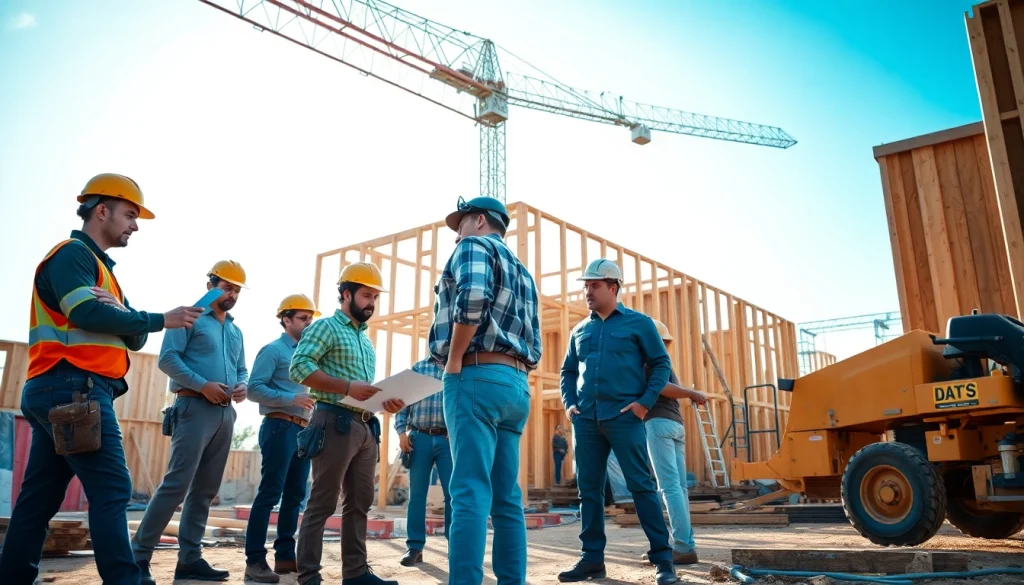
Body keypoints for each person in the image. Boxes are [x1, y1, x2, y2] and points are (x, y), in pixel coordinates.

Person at [0, 174, 203, 585]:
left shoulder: (102, 272)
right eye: (130, 214)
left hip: (59, 390)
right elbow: (88, 315)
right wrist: (157, 317)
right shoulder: (72, 256)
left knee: (38, 501)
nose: (134, 225)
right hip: (74, 388)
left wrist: (129, 316)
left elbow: (134, 334)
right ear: (102, 210)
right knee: (111, 489)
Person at [426, 196, 542, 585]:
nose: (456, 234)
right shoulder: (523, 273)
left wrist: (456, 357)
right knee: (507, 497)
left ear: (478, 221)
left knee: (470, 491)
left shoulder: (473, 246)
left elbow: (473, 296)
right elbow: (535, 341)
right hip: (516, 382)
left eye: (460, 225)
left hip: (476, 374)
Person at [558, 258, 678, 585]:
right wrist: (570, 405)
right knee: (589, 491)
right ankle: (592, 560)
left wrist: (643, 404)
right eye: (585, 286)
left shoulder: (639, 324)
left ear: (613, 287)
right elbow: (567, 372)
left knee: (641, 486)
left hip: (625, 418)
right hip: (586, 421)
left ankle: (664, 561)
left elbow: (660, 364)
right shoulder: (580, 330)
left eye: (594, 286)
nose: (588, 292)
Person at [132, 260, 251, 584]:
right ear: (210, 283)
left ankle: (190, 559)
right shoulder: (187, 318)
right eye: (226, 287)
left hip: (226, 414)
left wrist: (242, 384)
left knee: (205, 491)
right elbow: (167, 360)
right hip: (193, 407)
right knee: (176, 486)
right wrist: (203, 385)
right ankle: (138, 557)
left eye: (237, 290)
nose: (232, 294)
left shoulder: (236, 330)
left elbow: (242, 368)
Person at [289, 262, 405, 585]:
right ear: (346, 293)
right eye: (366, 295)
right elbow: (298, 368)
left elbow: (361, 391)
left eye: (375, 297)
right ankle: (309, 577)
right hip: (333, 422)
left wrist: (386, 402)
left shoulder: (367, 343)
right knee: (322, 502)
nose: (371, 302)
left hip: (365, 427)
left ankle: (355, 575)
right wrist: (345, 387)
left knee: (360, 503)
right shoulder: (325, 328)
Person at [243, 294, 321, 582]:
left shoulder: (308, 355)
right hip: (279, 427)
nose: (308, 323)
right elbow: (253, 389)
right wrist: (291, 398)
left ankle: (285, 557)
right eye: (303, 318)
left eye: (311, 318)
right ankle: (254, 561)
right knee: (270, 494)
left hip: (302, 431)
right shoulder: (273, 350)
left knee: (295, 496)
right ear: (286, 320)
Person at [642, 320, 708, 566]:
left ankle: (681, 546)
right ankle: (685, 545)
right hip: (675, 425)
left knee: (669, 488)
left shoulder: (650, 361)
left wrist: (690, 393)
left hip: (659, 424)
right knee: (678, 489)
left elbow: (661, 388)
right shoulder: (664, 360)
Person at [393, 358, 450, 567]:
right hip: (420, 438)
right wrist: (401, 432)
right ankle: (415, 547)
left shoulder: (457, 365)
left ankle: (456, 547)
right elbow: (402, 402)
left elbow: (463, 401)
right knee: (417, 496)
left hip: (447, 440)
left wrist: (457, 429)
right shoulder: (419, 368)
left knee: (453, 495)